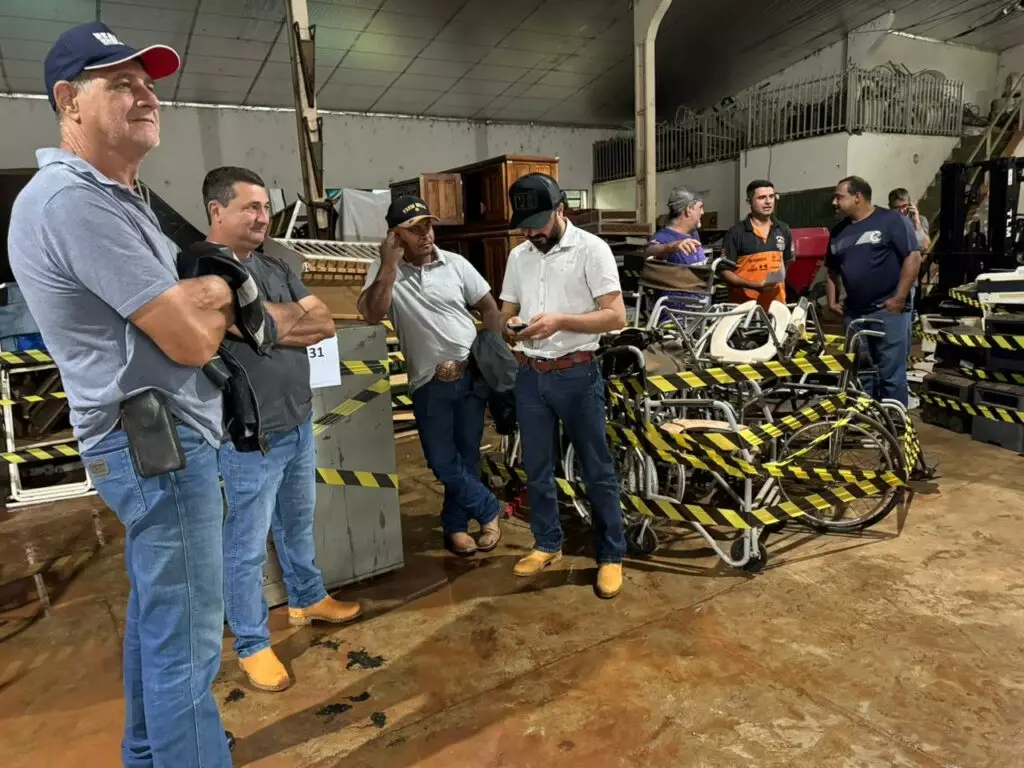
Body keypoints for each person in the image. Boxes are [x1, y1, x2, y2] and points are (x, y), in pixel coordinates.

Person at [7, 22, 235, 766]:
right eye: (121, 83)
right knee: (190, 646)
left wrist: (201, 295)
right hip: (156, 446)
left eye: (148, 83)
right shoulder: (75, 202)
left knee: (160, 620)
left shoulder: (116, 195)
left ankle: (146, 755)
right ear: (69, 100)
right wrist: (218, 289)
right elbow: (191, 337)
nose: (146, 96)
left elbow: (190, 308)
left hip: (155, 440)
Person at [204, 166, 362, 693]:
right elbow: (231, 323)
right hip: (249, 435)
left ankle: (307, 598)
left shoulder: (275, 265)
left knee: (297, 523)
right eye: (250, 207)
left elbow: (324, 323)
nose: (261, 216)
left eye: (265, 207)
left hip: (296, 422)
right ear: (216, 211)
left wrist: (261, 327)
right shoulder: (203, 274)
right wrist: (281, 321)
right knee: (245, 545)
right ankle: (251, 643)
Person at [499, 173, 628, 600]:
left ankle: (610, 554)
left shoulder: (592, 250)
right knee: (536, 467)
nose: (531, 232)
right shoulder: (519, 256)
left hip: (577, 373)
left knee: (596, 468)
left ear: (561, 210)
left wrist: (560, 321)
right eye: (525, 225)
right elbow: (505, 312)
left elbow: (615, 317)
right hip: (532, 374)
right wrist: (511, 328)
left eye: (538, 221)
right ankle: (546, 543)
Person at [359, 196, 506, 557]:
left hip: (470, 375)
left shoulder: (455, 264)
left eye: (428, 225)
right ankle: (488, 508)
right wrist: (389, 266)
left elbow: (489, 307)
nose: (425, 234)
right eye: (414, 229)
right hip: (428, 383)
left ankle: (456, 527)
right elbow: (372, 314)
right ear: (395, 236)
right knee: (442, 461)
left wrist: (491, 350)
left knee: (468, 455)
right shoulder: (381, 272)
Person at [826, 176, 921, 406]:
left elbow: (913, 257)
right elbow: (831, 269)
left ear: (858, 197)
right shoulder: (839, 231)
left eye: (840, 197)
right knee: (862, 374)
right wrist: (832, 301)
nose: (834, 202)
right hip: (855, 314)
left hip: (888, 312)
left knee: (891, 375)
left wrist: (899, 298)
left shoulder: (891, 221)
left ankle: (894, 429)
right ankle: (868, 423)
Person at [721, 179, 794, 308]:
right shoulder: (736, 232)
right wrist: (754, 285)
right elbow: (725, 272)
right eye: (762, 197)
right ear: (749, 201)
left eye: (771, 196)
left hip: (776, 307)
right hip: (744, 310)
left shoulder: (783, 229)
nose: (768, 201)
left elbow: (787, 262)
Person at [644, 185, 708, 313]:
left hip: (697, 316)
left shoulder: (693, 234)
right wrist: (670, 247)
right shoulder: (663, 237)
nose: (703, 212)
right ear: (689, 210)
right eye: (700, 207)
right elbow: (649, 251)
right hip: (674, 319)